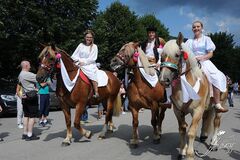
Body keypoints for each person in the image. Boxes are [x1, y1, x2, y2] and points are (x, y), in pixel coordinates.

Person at [186, 20, 228, 113]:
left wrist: (202, 57)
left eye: (198, 26)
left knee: (216, 76)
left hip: (204, 61)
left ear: (201, 28)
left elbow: (210, 54)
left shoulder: (206, 39)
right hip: (192, 62)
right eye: (194, 27)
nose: (196, 28)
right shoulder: (189, 41)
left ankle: (217, 103)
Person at [71, 29, 99, 98]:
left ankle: (96, 91)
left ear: (92, 38)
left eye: (90, 37)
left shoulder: (94, 46)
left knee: (91, 73)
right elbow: (74, 55)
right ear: (85, 37)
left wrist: (84, 62)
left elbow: (93, 58)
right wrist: (77, 61)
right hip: (78, 63)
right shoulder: (80, 45)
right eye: (87, 37)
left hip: (89, 64)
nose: (88, 38)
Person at [18, 60, 40, 141]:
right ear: (26, 66)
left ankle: (25, 133)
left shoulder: (20, 74)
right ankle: (30, 135)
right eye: (29, 65)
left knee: (26, 115)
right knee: (32, 116)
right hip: (31, 96)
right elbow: (39, 78)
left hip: (25, 96)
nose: (30, 67)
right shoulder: (27, 74)